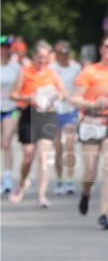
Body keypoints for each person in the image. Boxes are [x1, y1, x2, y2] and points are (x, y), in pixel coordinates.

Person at [69, 34, 108, 231]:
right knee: (90, 171)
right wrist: (93, 103)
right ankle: (86, 192)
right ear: (101, 49)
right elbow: (74, 98)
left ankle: (104, 214)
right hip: (92, 118)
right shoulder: (89, 71)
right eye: (107, 46)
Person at [9, 41, 67, 207]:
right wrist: (28, 98)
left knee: (43, 156)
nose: (42, 61)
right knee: (28, 156)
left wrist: (56, 95)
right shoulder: (25, 72)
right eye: (39, 57)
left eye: (45, 58)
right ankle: (22, 184)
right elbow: (13, 94)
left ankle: (42, 195)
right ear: (34, 56)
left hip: (47, 115)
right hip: (29, 114)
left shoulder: (52, 73)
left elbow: (63, 93)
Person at [52, 40, 81, 195]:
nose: (62, 55)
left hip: (70, 110)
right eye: (59, 53)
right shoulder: (51, 68)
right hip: (54, 110)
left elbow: (81, 86)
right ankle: (60, 179)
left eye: (65, 52)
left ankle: (70, 179)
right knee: (58, 148)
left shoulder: (75, 68)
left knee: (70, 146)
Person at [1, 36, 21, 194]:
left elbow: (21, 87)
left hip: (11, 109)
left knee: (6, 141)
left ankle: (7, 178)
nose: (3, 50)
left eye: (6, 47)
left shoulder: (16, 68)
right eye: (1, 47)